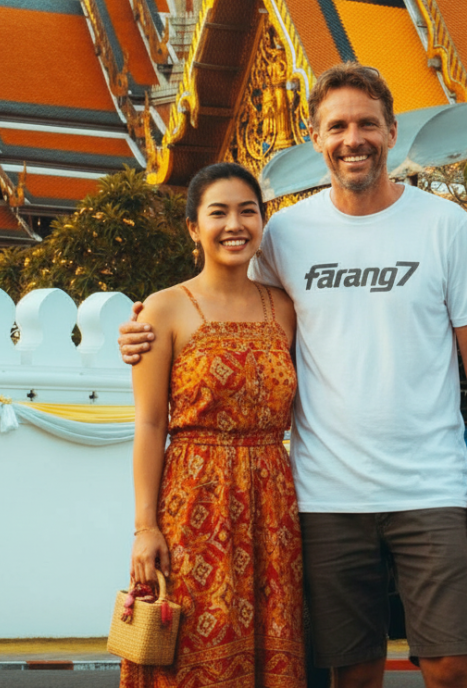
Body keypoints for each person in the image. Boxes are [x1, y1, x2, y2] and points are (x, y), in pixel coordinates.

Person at [120, 63, 467, 688]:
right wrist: (148, 327)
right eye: (337, 127)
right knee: (351, 672)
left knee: (450, 664)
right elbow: (234, 308)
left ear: (390, 132)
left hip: (429, 483)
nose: (351, 139)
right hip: (325, 492)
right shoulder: (287, 234)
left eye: (365, 124)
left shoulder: (443, 224)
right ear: (315, 137)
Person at [123, 163, 304, 687]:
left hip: (274, 505)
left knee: (274, 648)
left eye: (248, 211)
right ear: (192, 228)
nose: (235, 225)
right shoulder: (163, 308)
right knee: (191, 650)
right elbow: (151, 422)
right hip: (194, 501)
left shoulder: (285, 309)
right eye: (218, 212)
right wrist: (145, 527)